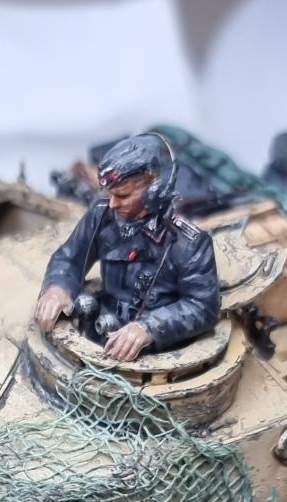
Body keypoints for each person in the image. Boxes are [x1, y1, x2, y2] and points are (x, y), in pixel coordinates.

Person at [35, 134, 221, 361]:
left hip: (154, 352)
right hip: (100, 329)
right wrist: (58, 288)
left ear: (155, 191)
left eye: (123, 195)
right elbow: (70, 258)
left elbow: (203, 306)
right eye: (110, 194)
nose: (112, 204)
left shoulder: (189, 243)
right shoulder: (102, 215)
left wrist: (149, 328)